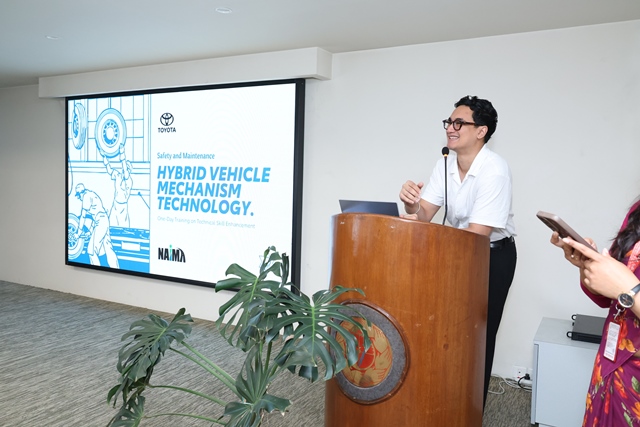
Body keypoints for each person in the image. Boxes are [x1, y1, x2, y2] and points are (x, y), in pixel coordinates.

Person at [399, 95, 517, 405]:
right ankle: (445, 401)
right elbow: (424, 215)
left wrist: (437, 244)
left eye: (459, 123)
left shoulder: (494, 170)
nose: (450, 128)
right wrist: (411, 203)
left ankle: (470, 409)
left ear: (481, 131)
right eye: (449, 122)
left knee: (479, 335)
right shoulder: (445, 164)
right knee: (448, 328)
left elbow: (477, 235)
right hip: (453, 253)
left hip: (492, 257)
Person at [551, 198, 640, 426]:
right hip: (611, 364)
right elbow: (611, 297)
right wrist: (588, 266)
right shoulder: (637, 210)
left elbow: (625, 288)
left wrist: (629, 290)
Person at [74, 183, 120, 268]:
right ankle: (116, 268)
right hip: (103, 220)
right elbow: (94, 217)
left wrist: (78, 233)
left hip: (101, 221)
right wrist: (90, 231)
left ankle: (95, 270)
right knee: (108, 248)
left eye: (78, 195)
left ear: (81, 193)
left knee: (91, 251)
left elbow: (83, 216)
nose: (78, 198)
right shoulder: (91, 194)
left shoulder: (86, 196)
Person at [103, 144, 133, 227]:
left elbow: (125, 171)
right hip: (115, 205)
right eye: (125, 168)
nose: (124, 170)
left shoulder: (129, 181)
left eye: (127, 169)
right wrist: (105, 159)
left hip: (123, 207)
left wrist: (122, 153)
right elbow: (110, 170)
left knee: (124, 227)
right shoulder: (118, 175)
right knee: (110, 224)